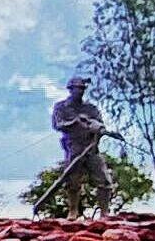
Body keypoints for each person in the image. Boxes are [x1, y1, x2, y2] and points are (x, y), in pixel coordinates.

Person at [46, 77, 112, 215]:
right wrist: (75, 122)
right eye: (77, 88)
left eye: (82, 88)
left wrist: (97, 129)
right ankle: (73, 211)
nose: (80, 91)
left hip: (91, 147)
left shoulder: (91, 108)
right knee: (72, 180)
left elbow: (100, 125)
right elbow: (57, 125)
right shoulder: (61, 107)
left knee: (104, 180)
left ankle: (105, 212)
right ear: (70, 89)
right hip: (73, 147)